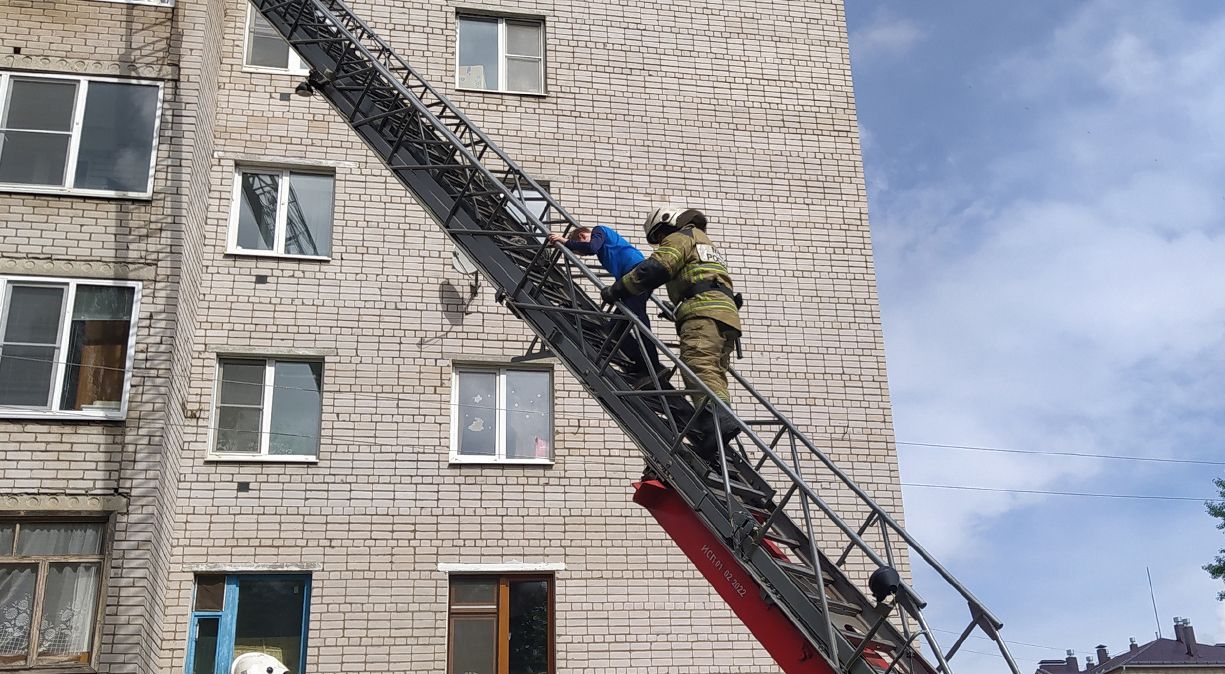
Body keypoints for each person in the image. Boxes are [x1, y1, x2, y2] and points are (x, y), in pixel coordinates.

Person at [600, 205, 742, 461]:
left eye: (659, 237)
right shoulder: (704, 242)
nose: (660, 243)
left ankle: (718, 421)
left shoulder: (682, 237)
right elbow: (700, 277)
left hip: (703, 314)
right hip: (725, 314)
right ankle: (714, 431)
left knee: (698, 365)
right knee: (713, 370)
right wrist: (674, 307)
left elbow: (656, 268)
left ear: (666, 224)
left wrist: (618, 289)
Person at [547, 225, 667, 387]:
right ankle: (642, 364)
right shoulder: (604, 246)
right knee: (615, 329)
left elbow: (590, 247)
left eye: (579, 251)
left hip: (637, 273)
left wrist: (565, 241)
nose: (582, 254)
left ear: (582, 235)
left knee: (638, 321)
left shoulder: (599, 230)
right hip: (632, 278)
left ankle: (652, 367)